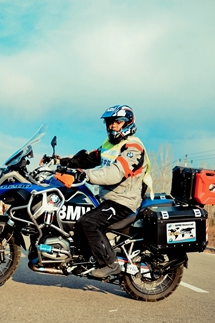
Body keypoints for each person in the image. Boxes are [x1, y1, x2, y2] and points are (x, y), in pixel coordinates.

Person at [54, 105, 153, 278]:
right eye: (109, 122)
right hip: (108, 198)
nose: (112, 126)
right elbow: (88, 159)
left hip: (124, 201)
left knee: (89, 223)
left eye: (117, 122)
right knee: (78, 221)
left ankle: (110, 264)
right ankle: (84, 261)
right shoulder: (109, 144)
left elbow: (115, 173)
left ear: (128, 123)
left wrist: (84, 176)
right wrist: (60, 161)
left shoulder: (133, 147)